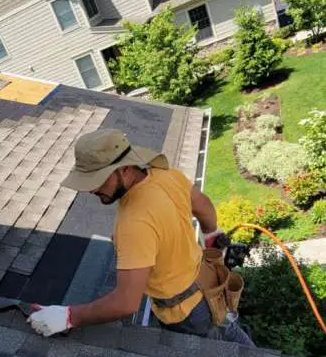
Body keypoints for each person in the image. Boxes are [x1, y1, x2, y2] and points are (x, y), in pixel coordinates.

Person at [28, 128, 247, 341]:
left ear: (124, 169)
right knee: (230, 336)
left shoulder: (134, 222)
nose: (92, 189)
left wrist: (68, 317)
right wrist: (211, 233)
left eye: (98, 180)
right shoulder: (167, 175)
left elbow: (126, 303)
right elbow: (205, 207)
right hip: (208, 284)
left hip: (186, 313)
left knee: (213, 354)